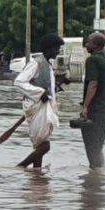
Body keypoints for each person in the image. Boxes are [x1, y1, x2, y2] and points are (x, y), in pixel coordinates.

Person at [13, 34, 64, 168]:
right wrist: (39, 93)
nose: (58, 51)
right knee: (45, 146)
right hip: (36, 107)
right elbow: (19, 82)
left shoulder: (48, 65)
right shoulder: (35, 63)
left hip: (45, 107)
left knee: (40, 145)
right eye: (57, 48)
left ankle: (37, 175)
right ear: (48, 49)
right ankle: (20, 167)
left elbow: (46, 86)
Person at [81, 32, 105, 169]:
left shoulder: (92, 60)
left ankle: (94, 177)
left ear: (95, 45)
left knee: (92, 146)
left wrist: (85, 107)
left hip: (96, 111)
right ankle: (98, 176)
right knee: (98, 145)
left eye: (89, 42)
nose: (86, 44)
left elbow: (93, 84)